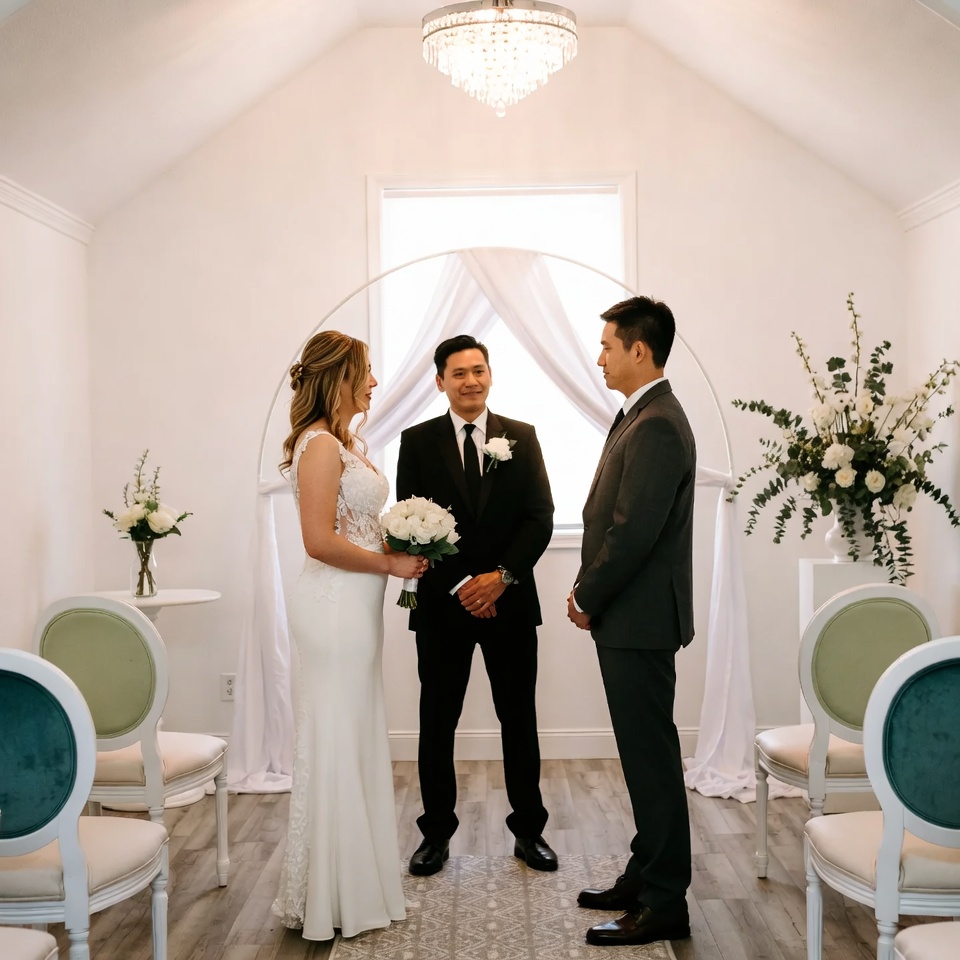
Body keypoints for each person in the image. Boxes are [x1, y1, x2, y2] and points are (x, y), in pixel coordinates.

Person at [272, 330, 428, 941]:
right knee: (337, 733)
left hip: (356, 605)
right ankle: (336, 895)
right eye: (365, 370)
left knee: (354, 730)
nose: (374, 381)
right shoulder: (317, 445)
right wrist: (389, 563)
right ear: (337, 377)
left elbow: (352, 525)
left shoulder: (342, 443)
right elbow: (318, 540)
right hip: (333, 604)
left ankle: (351, 884)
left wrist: (402, 544)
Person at [396, 334, 557, 876]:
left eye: (479, 370)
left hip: (510, 604)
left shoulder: (522, 437)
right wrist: (467, 585)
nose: (471, 381)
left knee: (519, 719)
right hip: (443, 608)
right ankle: (435, 834)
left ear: (490, 374)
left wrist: (500, 579)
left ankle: (529, 831)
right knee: (437, 721)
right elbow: (411, 522)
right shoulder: (417, 441)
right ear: (440, 381)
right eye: (459, 373)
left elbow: (539, 517)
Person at [567, 297, 696, 947]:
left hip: (639, 617)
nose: (599, 358)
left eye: (607, 346)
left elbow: (632, 532)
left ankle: (665, 900)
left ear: (638, 350)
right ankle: (645, 873)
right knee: (644, 754)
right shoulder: (644, 415)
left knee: (651, 759)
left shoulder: (657, 425)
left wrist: (587, 594)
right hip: (632, 616)